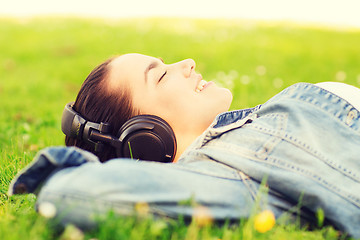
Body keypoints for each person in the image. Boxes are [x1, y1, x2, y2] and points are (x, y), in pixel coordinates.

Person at [8, 53, 360, 238]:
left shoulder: (238, 139)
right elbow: (69, 193)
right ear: (146, 140)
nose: (187, 64)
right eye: (160, 75)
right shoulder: (223, 177)